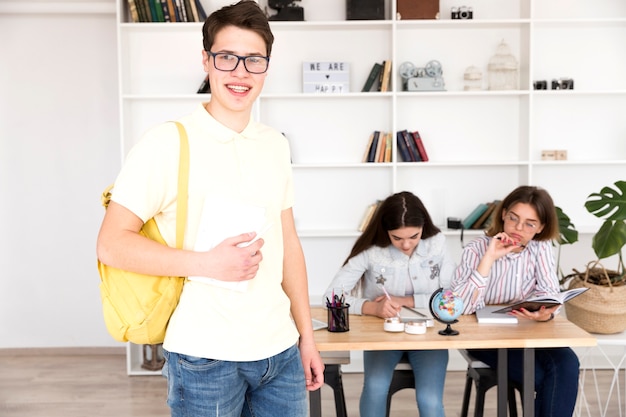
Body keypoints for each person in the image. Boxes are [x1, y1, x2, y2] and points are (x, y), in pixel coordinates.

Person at [96, 1, 324, 416]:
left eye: (254, 59)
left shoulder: (275, 144)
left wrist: (306, 337)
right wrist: (207, 263)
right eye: (227, 57)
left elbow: (288, 244)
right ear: (206, 61)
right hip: (204, 358)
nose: (240, 72)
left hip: (281, 351)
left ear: (267, 66)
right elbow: (111, 244)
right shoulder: (167, 142)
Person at [450, 185, 580, 417]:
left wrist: (546, 313)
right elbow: (461, 307)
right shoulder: (476, 249)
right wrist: (489, 258)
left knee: (568, 363)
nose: (519, 228)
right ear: (503, 214)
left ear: (540, 227)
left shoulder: (540, 248)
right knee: (543, 378)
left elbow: (549, 293)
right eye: (514, 218)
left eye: (530, 224)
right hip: (486, 338)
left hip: (529, 333)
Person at [323, 191, 455, 417]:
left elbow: (450, 297)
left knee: (429, 400)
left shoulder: (437, 243)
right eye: (397, 238)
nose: (406, 245)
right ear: (386, 232)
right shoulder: (372, 250)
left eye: (414, 236)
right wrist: (372, 308)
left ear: (424, 226)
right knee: (375, 389)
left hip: (428, 334)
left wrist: (406, 301)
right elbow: (332, 296)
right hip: (383, 335)